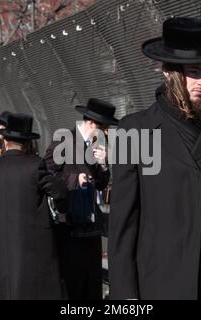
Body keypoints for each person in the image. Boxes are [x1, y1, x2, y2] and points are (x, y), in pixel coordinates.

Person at [108, 17, 201, 300]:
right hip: (159, 283)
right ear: (168, 72)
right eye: (194, 72)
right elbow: (123, 223)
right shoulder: (134, 130)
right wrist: (124, 296)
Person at [0, 113, 68, 299]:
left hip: (0, 248)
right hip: (33, 247)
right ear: (27, 144)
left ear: (5, 141)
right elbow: (60, 191)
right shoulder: (35, 166)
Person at [44, 98, 118, 300]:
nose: (107, 133)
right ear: (93, 123)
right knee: (74, 282)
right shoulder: (64, 140)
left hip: (90, 224)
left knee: (91, 282)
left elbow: (101, 184)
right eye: (105, 128)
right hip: (70, 223)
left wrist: (103, 165)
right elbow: (45, 175)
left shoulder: (95, 144)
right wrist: (74, 179)